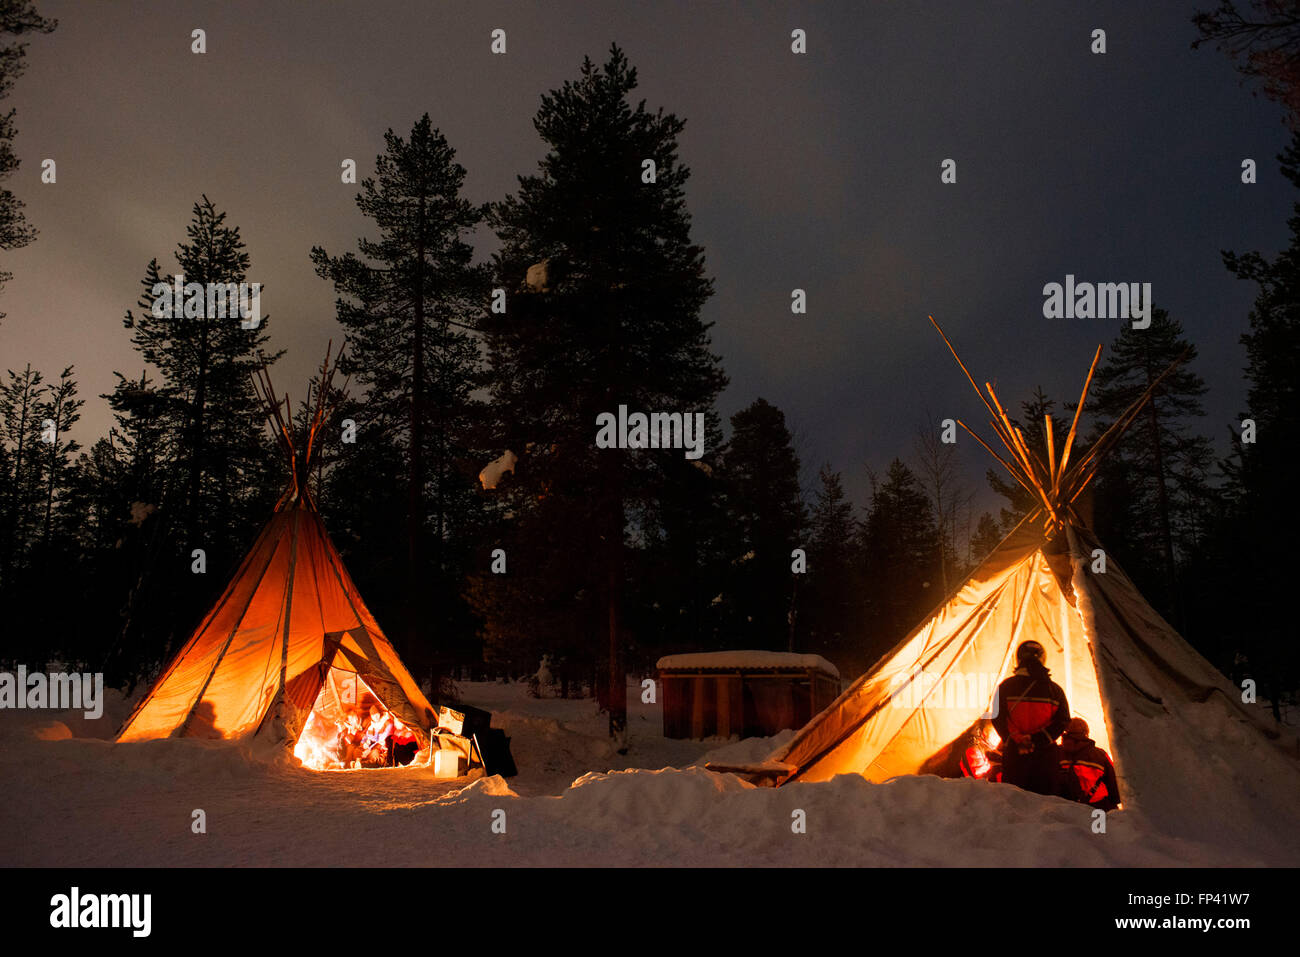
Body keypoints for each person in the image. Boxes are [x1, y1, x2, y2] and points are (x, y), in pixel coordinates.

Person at [991, 640, 1069, 795]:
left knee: (1014, 803)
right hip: (1045, 756)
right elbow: (1063, 720)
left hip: (1015, 754)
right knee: (1046, 806)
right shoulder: (1054, 690)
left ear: (1019, 659)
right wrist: (1038, 740)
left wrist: (1013, 739)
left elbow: (997, 717)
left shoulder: (1006, 687)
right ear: (1042, 658)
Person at [1056, 717, 1120, 812]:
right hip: (1098, 809)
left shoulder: (1055, 753)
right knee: (1099, 827)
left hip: (1062, 810)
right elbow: (1114, 786)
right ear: (1086, 734)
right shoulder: (1100, 755)